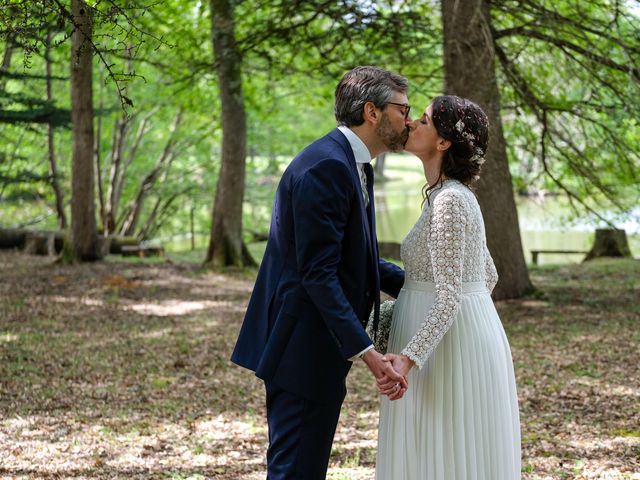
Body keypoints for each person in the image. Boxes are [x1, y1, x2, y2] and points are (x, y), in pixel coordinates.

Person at [230, 66, 411, 479]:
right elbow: (317, 274)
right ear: (372, 112)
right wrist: (367, 352)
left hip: (315, 346)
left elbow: (356, 258)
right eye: (403, 108)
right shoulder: (326, 167)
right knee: (296, 471)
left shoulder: (351, 163)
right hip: (302, 348)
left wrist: (419, 285)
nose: (409, 119)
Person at [374, 95, 521, 479]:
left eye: (422, 121)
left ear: (443, 143)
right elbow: (485, 275)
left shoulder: (450, 202)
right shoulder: (446, 196)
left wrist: (408, 357)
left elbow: (451, 296)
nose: (410, 124)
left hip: (441, 350)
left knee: (442, 452)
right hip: (452, 339)